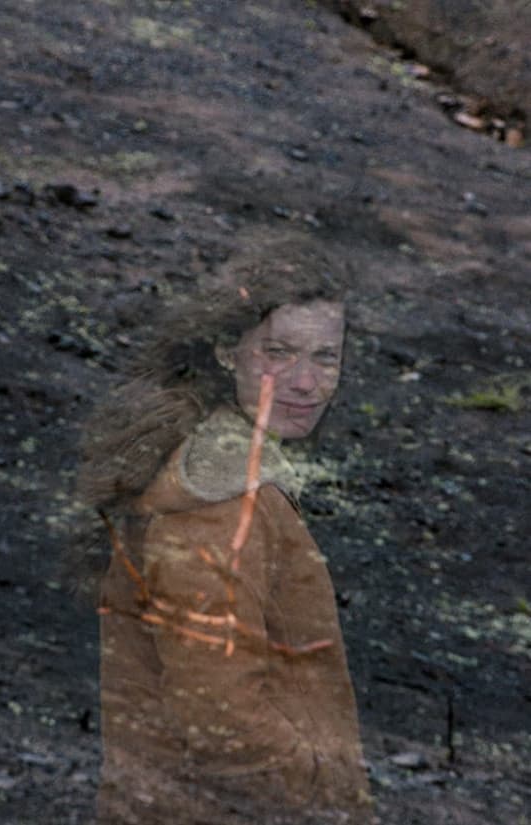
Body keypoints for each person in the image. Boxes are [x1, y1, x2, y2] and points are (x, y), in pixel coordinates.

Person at [78, 261, 373, 825]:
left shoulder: (223, 469)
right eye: (278, 352)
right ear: (225, 351)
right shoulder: (217, 505)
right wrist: (323, 798)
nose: (306, 382)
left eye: (325, 357)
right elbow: (220, 717)